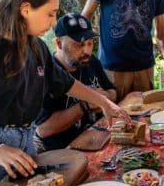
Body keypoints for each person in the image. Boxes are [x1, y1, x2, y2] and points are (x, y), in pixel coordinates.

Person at [0, 0, 130, 186]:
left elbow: (66, 83)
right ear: (25, 9)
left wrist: (104, 103)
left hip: (24, 142)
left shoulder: (36, 46)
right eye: (50, 14)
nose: (54, 21)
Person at [34, 13, 117, 151]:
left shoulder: (91, 61)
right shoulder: (45, 74)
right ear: (59, 43)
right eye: (79, 44)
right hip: (66, 151)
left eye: (90, 43)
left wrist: (104, 98)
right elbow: (42, 130)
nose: (87, 51)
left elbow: (112, 91)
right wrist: (85, 105)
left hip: (99, 138)